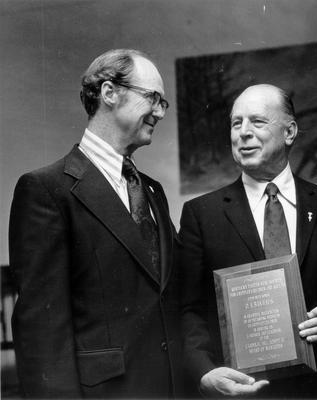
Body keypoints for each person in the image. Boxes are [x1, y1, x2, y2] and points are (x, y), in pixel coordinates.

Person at [9, 49, 183, 398]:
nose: (161, 112)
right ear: (109, 93)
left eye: (164, 102)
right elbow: (42, 333)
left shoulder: (153, 190)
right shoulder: (46, 190)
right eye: (153, 98)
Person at [179, 84, 317, 398]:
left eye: (257, 122)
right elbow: (187, 309)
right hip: (242, 391)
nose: (242, 133)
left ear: (290, 132)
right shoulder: (201, 215)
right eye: (236, 123)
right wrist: (204, 372)